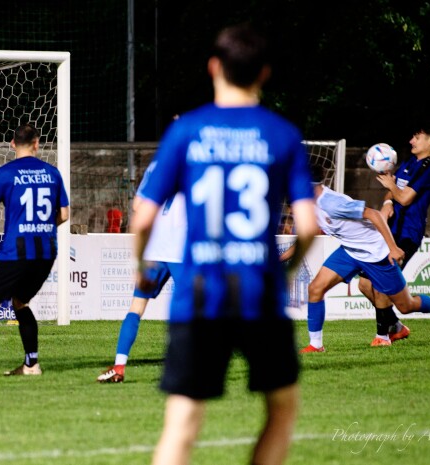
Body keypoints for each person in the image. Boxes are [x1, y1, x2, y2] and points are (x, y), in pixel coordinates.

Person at [132, 24, 317, 465]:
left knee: (182, 424)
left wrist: (142, 264)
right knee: (281, 411)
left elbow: (142, 215)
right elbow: (308, 227)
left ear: (214, 67)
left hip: (200, 295)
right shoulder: (283, 134)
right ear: (265, 73)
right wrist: (285, 273)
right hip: (260, 293)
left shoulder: (187, 130)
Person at [298, 166, 430, 353]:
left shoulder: (331, 203)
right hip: (350, 252)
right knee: (316, 288)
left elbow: (374, 215)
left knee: (406, 305)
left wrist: (393, 248)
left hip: (375, 253)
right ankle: (316, 345)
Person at [0, 123, 70, 381]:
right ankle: (32, 365)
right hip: (46, 251)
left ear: (12, 144)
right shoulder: (53, 173)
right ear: (37, 143)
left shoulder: (3, 174)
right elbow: (64, 214)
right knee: (20, 301)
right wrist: (43, 227)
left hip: (16, 252)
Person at [359, 122, 430, 346]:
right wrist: (388, 201)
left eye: (417, 137)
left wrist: (392, 187)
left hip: (407, 234)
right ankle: (396, 327)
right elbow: (394, 190)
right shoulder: (409, 162)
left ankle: (382, 337)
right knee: (365, 285)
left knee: (382, 285)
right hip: (391, 230)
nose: (411, 141)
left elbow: (406, 197)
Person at [97, 165, 186, 384]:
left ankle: (119, 366)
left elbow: (138, 205)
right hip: (182, 250)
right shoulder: (199, 162)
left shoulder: (156, 166)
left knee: (136, 308)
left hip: (154, 249)